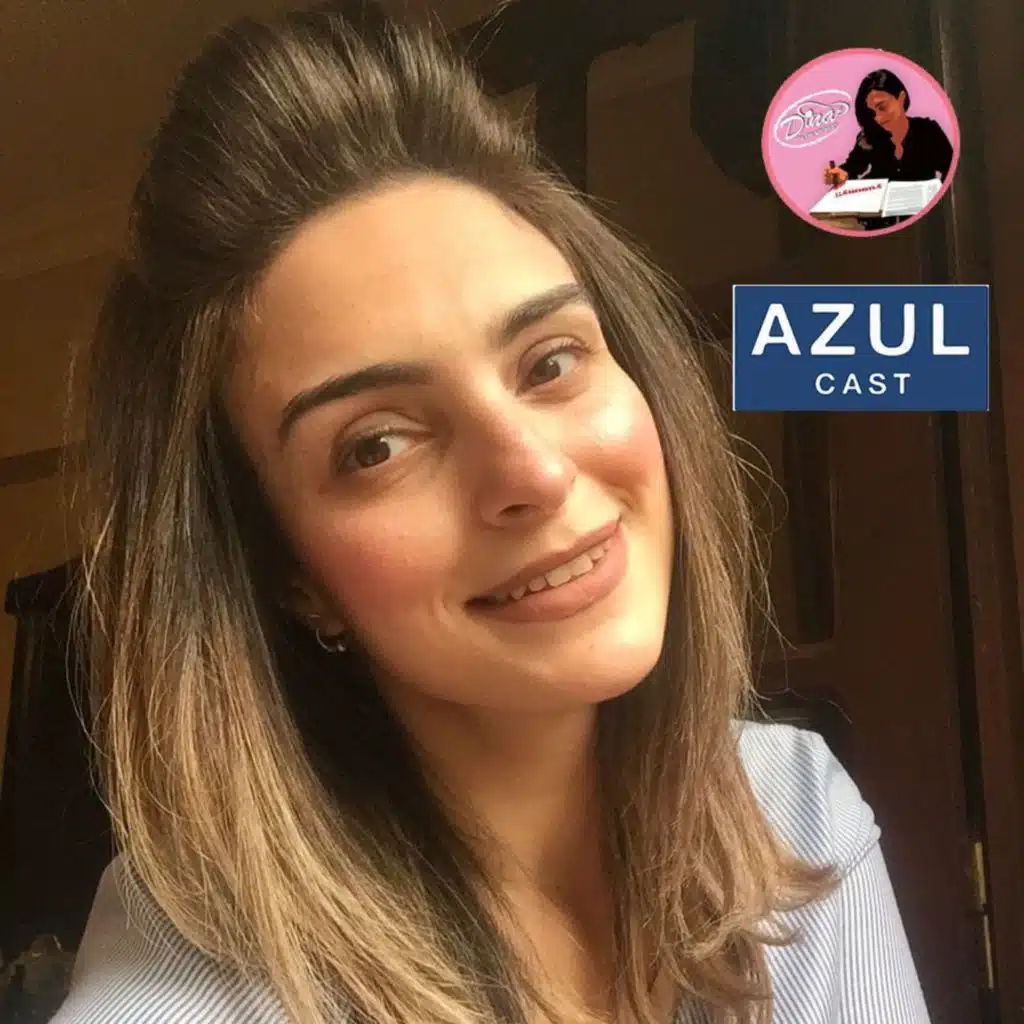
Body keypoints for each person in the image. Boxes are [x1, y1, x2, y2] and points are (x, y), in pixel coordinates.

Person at [51, 8, 930, 1024]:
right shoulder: (182, 990)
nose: (537, 473)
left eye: (550, 361)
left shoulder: (792, 805)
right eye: (376, 444)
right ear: (288, 575)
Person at [823, 68, 954, 188]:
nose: (878, 118)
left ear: (901, 98)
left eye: (882, 107)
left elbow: (952, 170)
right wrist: (840, 174)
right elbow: (852, 167)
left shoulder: (928, 131)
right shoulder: (868, 136)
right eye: (872, 113)